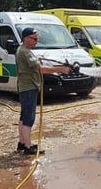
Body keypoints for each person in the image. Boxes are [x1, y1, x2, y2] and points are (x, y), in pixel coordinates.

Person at [16, 27, 71, 155]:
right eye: (34, 38)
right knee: (28, 118)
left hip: (26, 87)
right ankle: (28, 147)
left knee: (24, 116)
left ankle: (22, 142)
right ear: (26, 39)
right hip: (29, 88)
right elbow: (40, 69)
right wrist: (61, 69)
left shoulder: (23, 50)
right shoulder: (25, 52)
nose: (36, 41)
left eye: (37, 38)